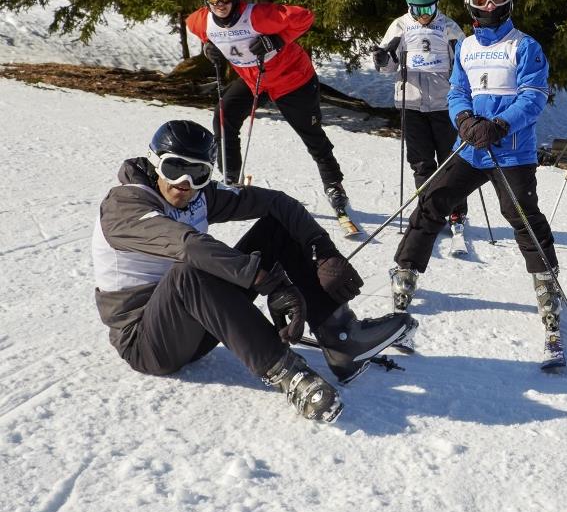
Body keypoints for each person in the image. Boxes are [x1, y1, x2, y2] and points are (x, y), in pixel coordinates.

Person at [91, 119, 416, 422]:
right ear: (154, 162)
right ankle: (287, 372)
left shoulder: (197, 197)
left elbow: (278, 202)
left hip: (198, 320)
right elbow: (190, 246)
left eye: (198, 174)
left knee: (278, 228)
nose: (184, 184)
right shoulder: (124, 206)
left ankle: (341, 338)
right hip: (148, 343)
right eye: (173, 168)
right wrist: (268, 283)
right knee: (190, 270)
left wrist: (323, 251)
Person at [389, 0, 564, 365]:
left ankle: (547, 288)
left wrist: (500, 125)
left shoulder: (525, 46)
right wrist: (465, 120)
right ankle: (404, 275)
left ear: (508, 1)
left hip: (511, 150)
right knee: (433, 201)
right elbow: (457, 91)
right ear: (471, 3)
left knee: (520, 214)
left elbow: (534, 97)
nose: (490, 5)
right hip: (470, 149)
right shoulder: (466, 47)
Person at [185, 0, 351, 215]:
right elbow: (201, 31)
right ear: (205, 0)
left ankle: (334, 185)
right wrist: (209, 47)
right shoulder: (200, 21)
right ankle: (230, 180)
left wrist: (278, 40)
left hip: (293, 79)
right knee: (224, 116)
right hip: (254, 79)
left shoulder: (258, 16)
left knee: (311, 135)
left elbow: (305, 17)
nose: (220, 3)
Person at [372, 0, 469, 231]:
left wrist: (462, 56)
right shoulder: (400, 27)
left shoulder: (448, 27)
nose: (424, 15)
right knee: (422, 163)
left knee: (450, 161)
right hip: (411, 104)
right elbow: (387, 66)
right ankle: (429, 210)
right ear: (409, 7)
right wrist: (383, 59)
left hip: (444, 105)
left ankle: (457, 213)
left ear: (436, 4)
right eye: (418, 10)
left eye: (428, 9)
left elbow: (464, 65)